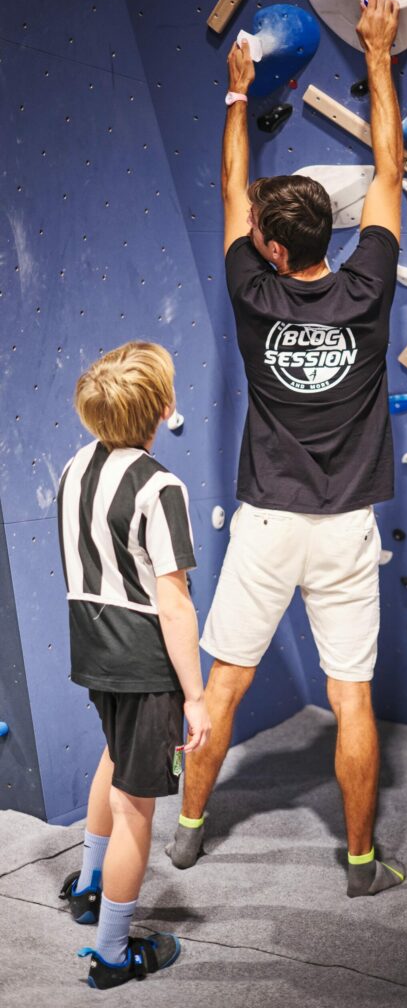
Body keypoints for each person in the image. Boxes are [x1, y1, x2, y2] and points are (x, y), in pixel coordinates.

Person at [166, 0, 406, 898]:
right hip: (344, 529)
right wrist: (377, 55)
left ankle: (189, 832)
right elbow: (387, 166)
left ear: (267, 248)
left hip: (268, 527)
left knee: (220, 688)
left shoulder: (249, 291)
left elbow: (232, 191)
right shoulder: (368, 283)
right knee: (352, 699)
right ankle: (358, 864)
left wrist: (236, 98)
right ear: (328, 240)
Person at [57, 341, 212, 989]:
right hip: (144, 658)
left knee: (112, 758)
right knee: (136, 809)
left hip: (91, 646)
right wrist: (196, 696)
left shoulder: (73, 467)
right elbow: (173, 602)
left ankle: (90, 885)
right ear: (163, 409)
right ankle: (113, 954)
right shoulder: (161, 487)